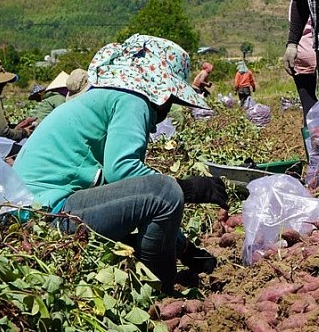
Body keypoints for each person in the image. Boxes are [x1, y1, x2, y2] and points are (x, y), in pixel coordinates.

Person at [13, 34, 228, 294]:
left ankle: (159, 268)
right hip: (50, 215)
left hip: (31, 216)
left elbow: (125, 196)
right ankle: (160, 290)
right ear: (161, 91)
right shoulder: (132, 100)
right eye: (172, 99)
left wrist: (186, 249)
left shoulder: (105, 98)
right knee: (165, 191)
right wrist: (190, 188)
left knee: (157, 194)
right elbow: (124, 172)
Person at [288, 0, 317, 120]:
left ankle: (309, 131)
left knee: (308, 104)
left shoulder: (296, 1)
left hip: (300, 53)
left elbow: (294, 26)